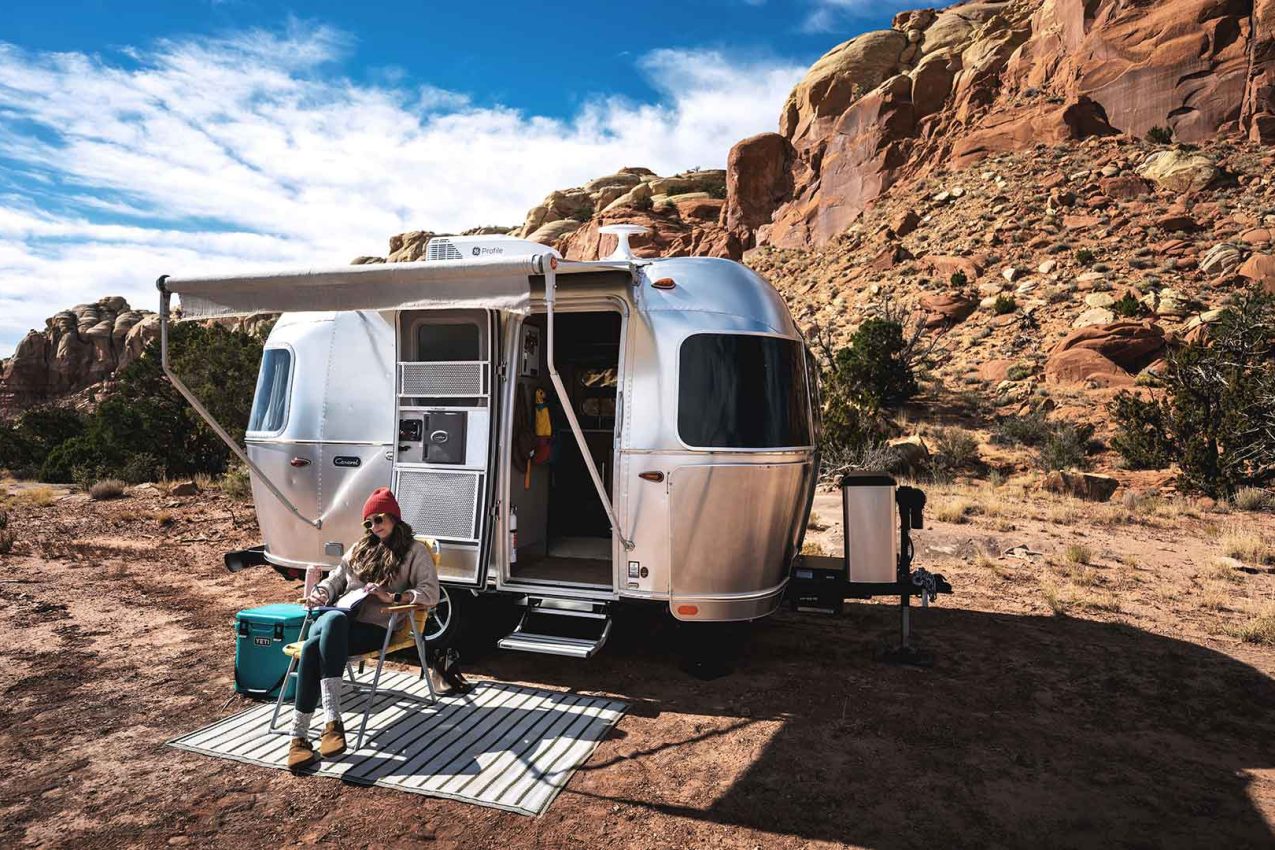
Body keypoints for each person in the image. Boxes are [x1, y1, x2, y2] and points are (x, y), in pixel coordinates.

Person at [287, 487, 439, 771]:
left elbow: (431, 593)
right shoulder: (360, 548)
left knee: (312, 647)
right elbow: (336, 579)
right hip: (340, 619)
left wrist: (393, 597)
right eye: (368, 523)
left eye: (379, 519)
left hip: (375, 626)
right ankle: (330, 724)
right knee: (332, 622)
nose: (374, 526)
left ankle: (300, 737)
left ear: (394, 517)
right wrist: (321, 593)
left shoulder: (414, 552)